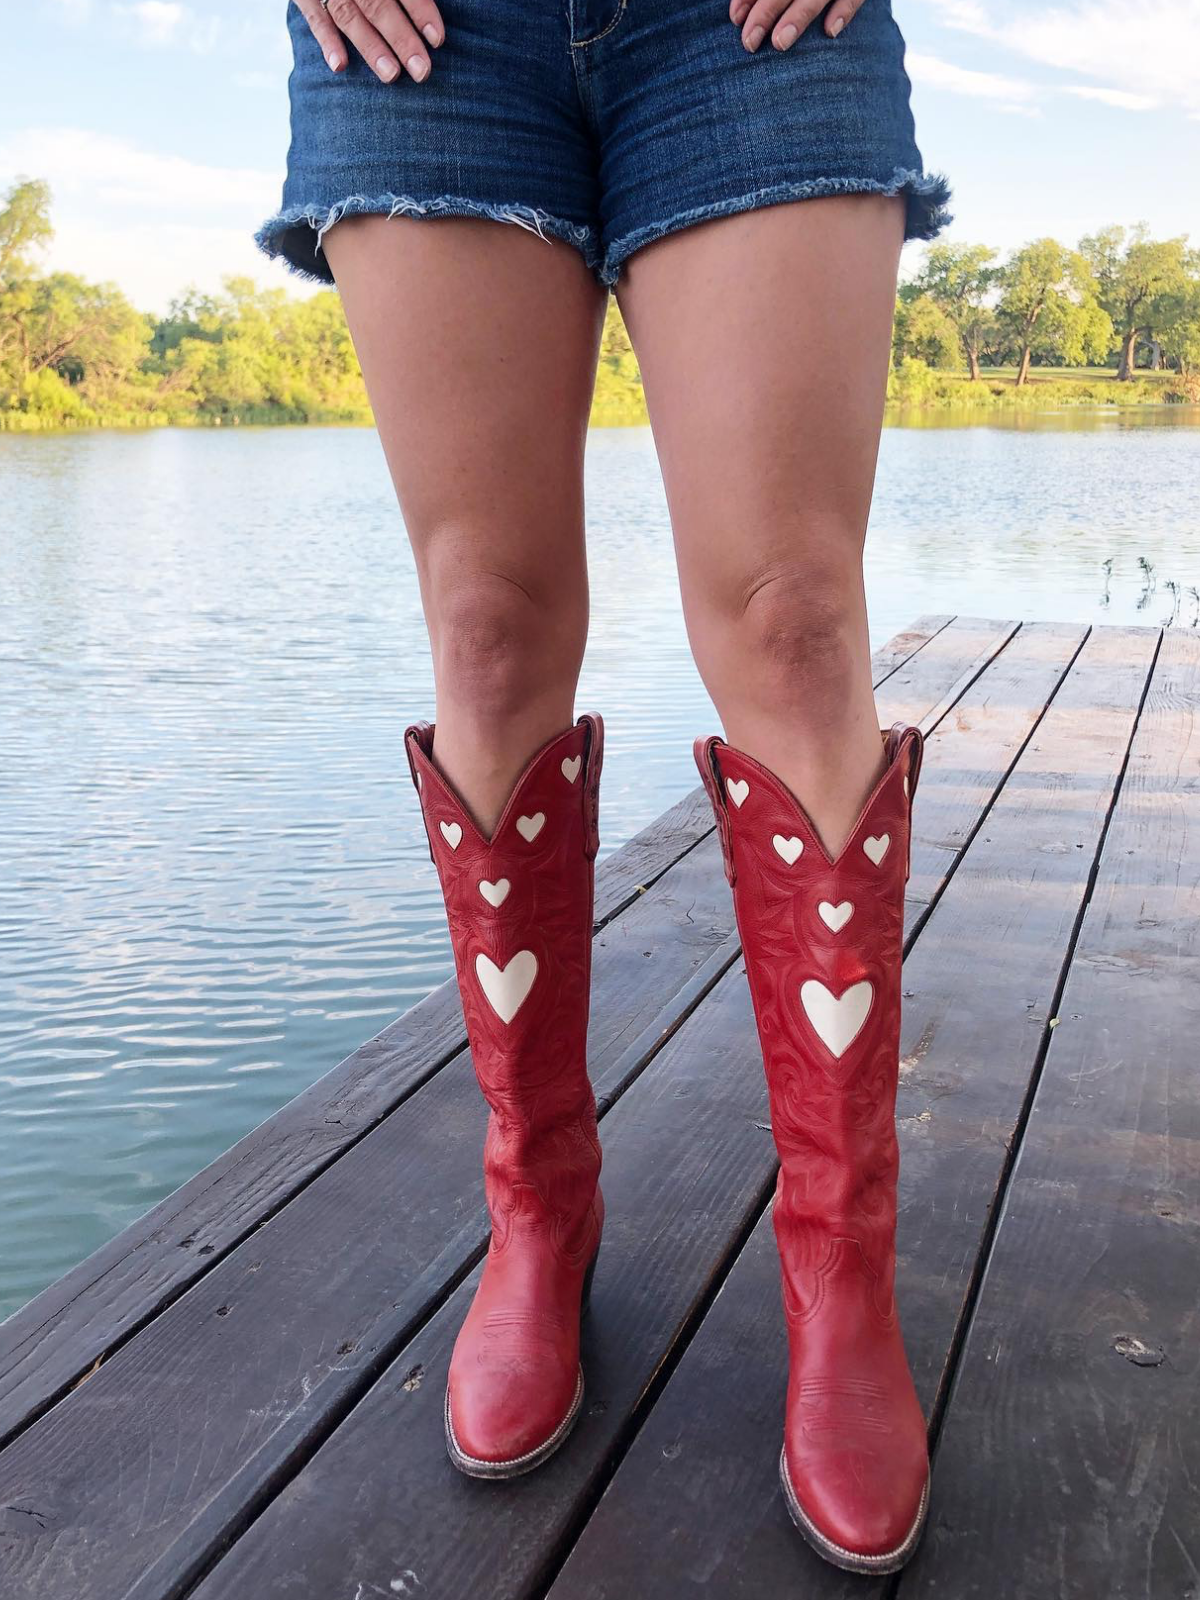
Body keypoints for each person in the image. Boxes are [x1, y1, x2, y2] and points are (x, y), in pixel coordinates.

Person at [257, 0, 951, 1574]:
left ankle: (843, 1270)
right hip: (428, 44)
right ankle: (538, 1211)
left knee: (793, 620)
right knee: (488, 636)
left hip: (747, 32)